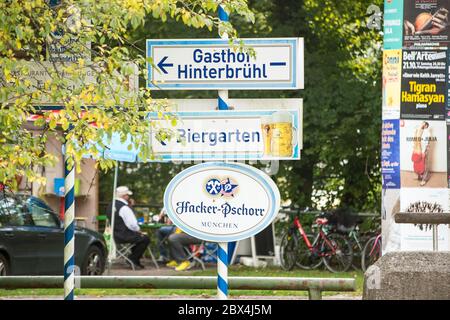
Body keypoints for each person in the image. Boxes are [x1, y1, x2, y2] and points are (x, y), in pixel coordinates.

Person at [106, 186, 150, 269]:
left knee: (138, 238)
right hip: (123, 235)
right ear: (124, 196)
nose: (128, 197)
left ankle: (134, 260)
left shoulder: (110, 205)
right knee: (145, 239)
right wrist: (139, 230)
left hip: (113, 234)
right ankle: (133, 259)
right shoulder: (124, 208)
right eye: (127, 195)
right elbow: (132, 224)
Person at [411, 122, 431, 186]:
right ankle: (419, 177)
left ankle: (424, 180)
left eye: (423, 124)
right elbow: (416, 139)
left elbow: (426, 142)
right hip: (419, 149)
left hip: (423, 150)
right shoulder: (421, 131)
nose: (422, 124)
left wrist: (424, 152)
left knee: (424, 166)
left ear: (426, 125)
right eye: (422, 123)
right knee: (418, 164)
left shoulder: (427, 132)